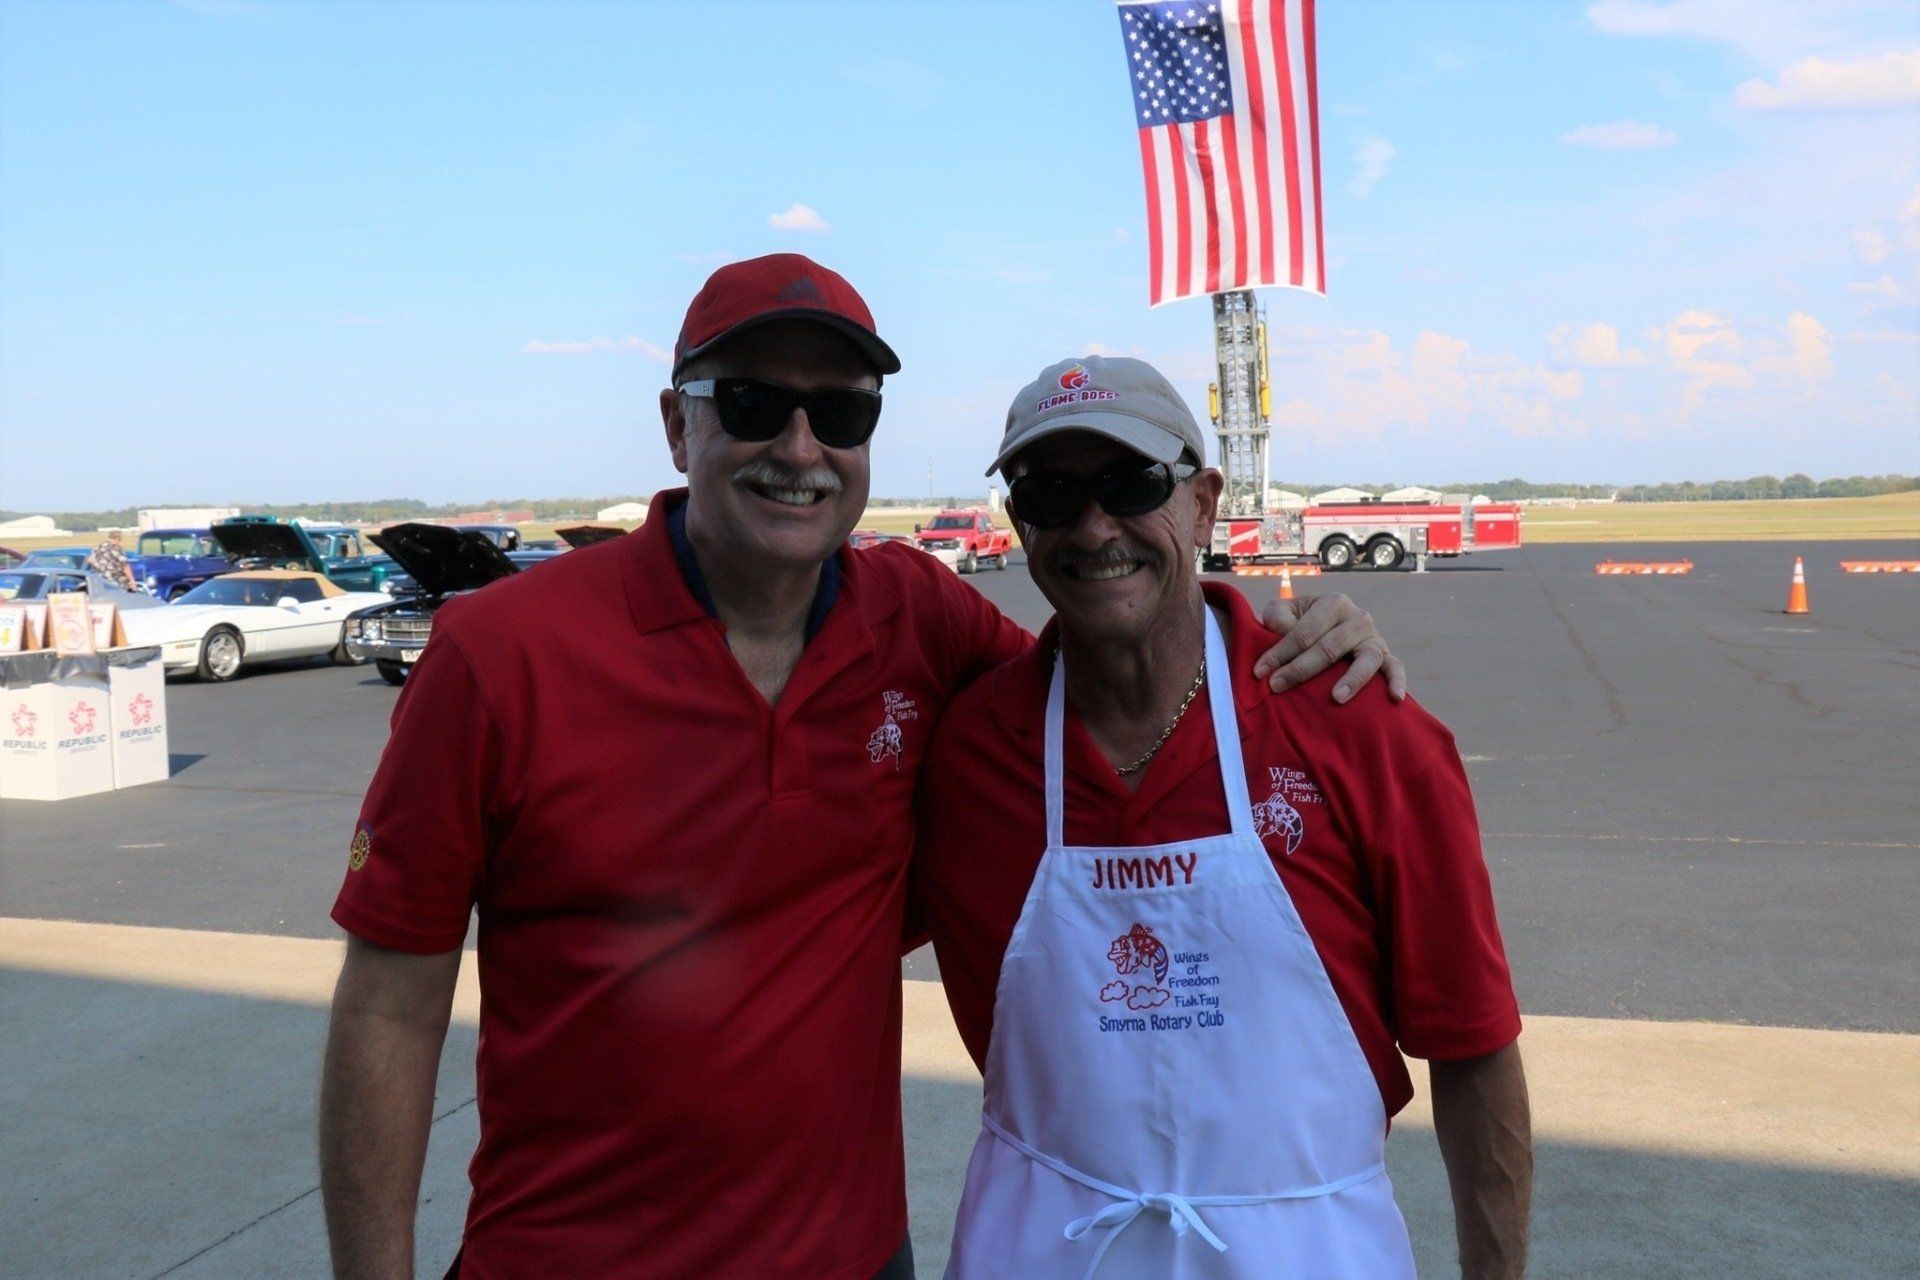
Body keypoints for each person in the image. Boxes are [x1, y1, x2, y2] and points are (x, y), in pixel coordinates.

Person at [317, 256, 1404, 1280]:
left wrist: (1291, 641)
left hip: (851, 1255)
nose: (799, 447)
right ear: (674, 423)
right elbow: (388, 1007)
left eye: (840, 411)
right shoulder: (502, 653)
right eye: (751, 403)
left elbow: (1111, 684)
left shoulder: (916, 617)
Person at [913, 355, 1532, 1279]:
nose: (1093, 527)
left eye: (1130, 485)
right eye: (1051, 494)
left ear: (1203, 504)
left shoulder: (1360, 728)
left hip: (1308, 1250)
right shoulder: (965, 752)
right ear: (1017, 524)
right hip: (1044, 1249)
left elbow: (1473, 1047)